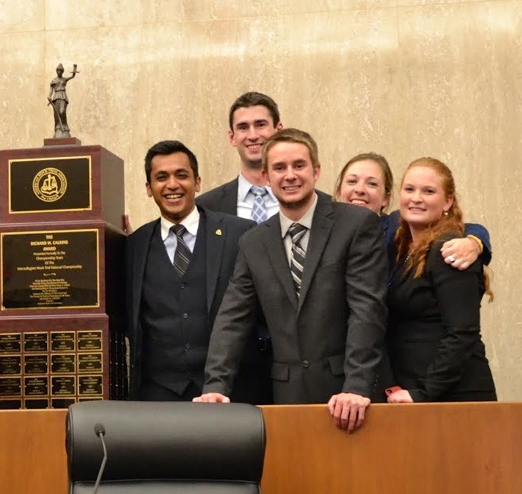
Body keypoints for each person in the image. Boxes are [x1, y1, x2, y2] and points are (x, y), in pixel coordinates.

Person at [196, 129, 388, 433]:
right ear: (266, 176)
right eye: (279, 168)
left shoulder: (356, 224)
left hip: (351, 398)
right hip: (288, 398)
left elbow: (367, 310)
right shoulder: (253, 243)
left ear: (316, 170)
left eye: (299, 165)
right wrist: (216, 386)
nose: (290, 176)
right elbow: (232, 318)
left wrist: (356, 387)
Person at [126, 140, 270, 404]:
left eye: (182, 175)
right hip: (159, 397)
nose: (172, 185)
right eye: (161, 177)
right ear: (149, 188)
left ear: (198, 182)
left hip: (234, 392)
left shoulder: (241, 234)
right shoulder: (134, 246)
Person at [383, 157, 496, 402]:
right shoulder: (404, 248)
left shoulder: (450, 249)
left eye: (429, 191)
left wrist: (423, 393)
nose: (416, 198)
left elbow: (462, 333)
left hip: (452, 397)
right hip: (417, 391)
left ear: (447, 201)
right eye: (409, 189)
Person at [333, 151, 492, 271]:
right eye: (352, 181)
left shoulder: (396, 227)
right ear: (339, 190)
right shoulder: (322, 226)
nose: (359, 190)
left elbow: (467, 228)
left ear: (386, 198)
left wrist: (474, 243)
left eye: (372, 184)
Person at [195, 91, 283, 222]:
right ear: (232, 137)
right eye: (243, 127)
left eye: (260, 125)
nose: (252, 136)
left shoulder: (309, 202)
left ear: (279, 130)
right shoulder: (205, 207)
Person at [47, 63, 79, 138]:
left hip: (63, 96)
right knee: (56, 113)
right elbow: (51, 89)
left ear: (62, 71)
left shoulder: (64, 79)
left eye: (60, 71)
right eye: (58, 70)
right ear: (56, 71)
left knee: (62, 111)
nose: (59, 72)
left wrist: (74, 69)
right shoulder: (54, 80)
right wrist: (49, 96)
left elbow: (72, 76)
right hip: (56, 97)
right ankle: (58, 127)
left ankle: (65, 126)